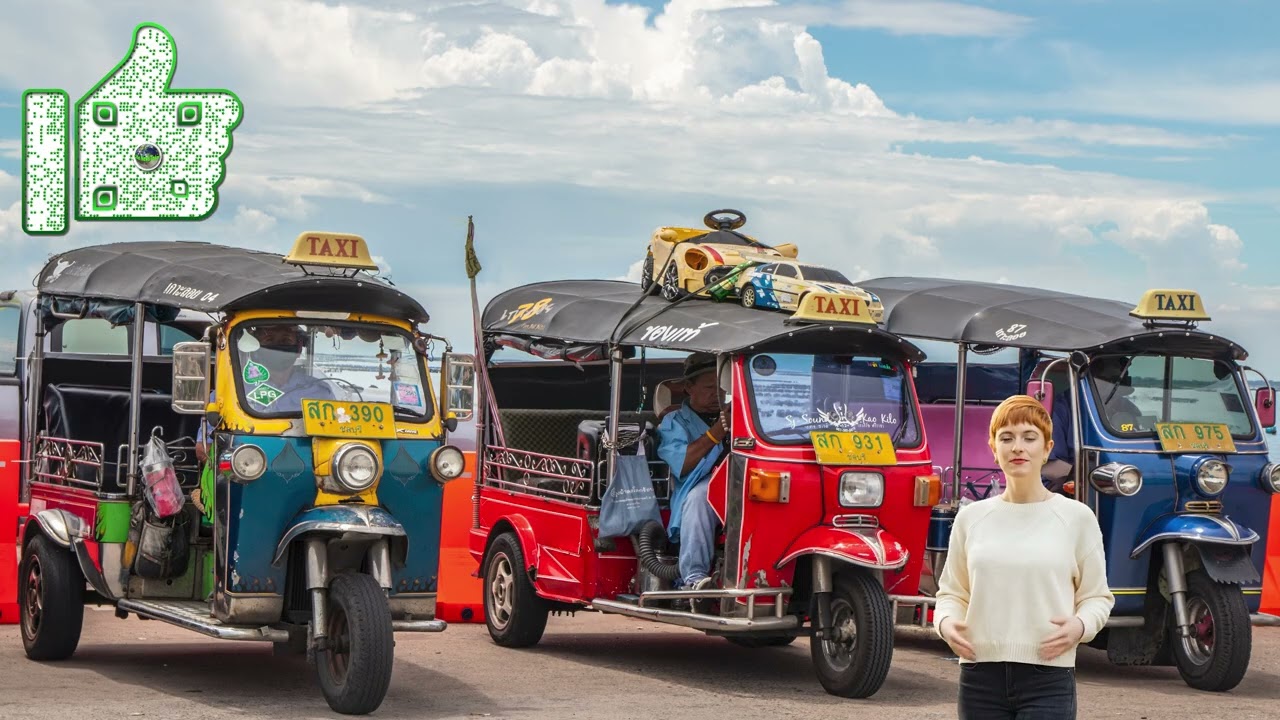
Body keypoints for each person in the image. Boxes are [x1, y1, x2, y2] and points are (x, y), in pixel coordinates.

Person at [934, 394, 1114, 719]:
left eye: (1029, 438)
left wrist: (1080, 626)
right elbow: (951, 593)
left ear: (1047, 449)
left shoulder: (1076, 517)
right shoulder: (971, 517)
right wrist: (945, 623)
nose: (1018, 447)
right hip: (979, 678)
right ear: (994, 448)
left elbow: (1097, 598)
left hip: (1048, 678)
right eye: (1007, 438)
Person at [655, 352, 729, 592]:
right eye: (709, 387)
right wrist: (716, 432)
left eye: (721, 388)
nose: (716, 395)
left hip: (742, 479)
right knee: (702, 497)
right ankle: (694, 579)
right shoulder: (674, 421)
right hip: (699, 486)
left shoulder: (741, 413)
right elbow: (682, 463)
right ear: (689, 387)